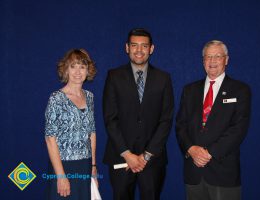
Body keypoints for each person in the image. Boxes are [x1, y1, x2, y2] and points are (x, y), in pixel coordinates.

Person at [103, 28, 174, 200]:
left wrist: (146, 155)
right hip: (121, 156)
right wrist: (127, 154)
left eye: (144, 46)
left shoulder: (163, 78)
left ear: (151, 49)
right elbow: (110, 119)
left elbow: (166, 120)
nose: (139, 50)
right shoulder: (114, 76)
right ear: (127, 48)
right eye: (134, 45)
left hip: (152, 160)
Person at [176, 40, 251, 200]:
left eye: (217, 56)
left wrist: (209, 153)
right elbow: (180, 126)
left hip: (223, 172)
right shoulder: (189, 90)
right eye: (208, 57)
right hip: (193, 172)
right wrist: (191, 149)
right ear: (203, 61)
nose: (212, 61)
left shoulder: (240, 90)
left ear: (226, 59)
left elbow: (238, 129)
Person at [45, 49, 98, 200]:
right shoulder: (56, 99)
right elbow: (50, 138)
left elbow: (92, 132)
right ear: (66, 69)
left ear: (88, 70)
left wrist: (93, 166)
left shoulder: (89, 97)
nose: (78, 71)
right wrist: (61, 176)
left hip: (85, 165)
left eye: (82, 66)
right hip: (63, 165)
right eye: (73, 66)